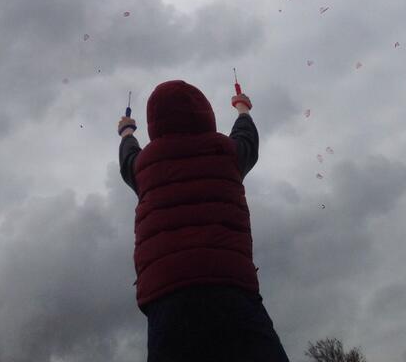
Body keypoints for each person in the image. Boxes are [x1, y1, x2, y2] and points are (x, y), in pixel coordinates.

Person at [118, 79, 290, 362]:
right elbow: (247, 139)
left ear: (154, 123)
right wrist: (243, 110)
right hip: (231, 287)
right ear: (205, 113)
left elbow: (128, 157)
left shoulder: (143, 167)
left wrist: (127, 131)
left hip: (167, 297)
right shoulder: (227, 154)